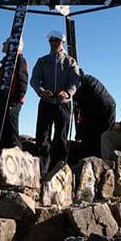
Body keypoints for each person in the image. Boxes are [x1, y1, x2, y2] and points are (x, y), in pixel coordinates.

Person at [30, 30, 81, 176]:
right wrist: (40, 90)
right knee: (43, 137)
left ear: (62, 42)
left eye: (56, 40)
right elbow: (34, 79)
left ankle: (59, 172)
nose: (53, 43)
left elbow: (75, 81)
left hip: (63, 104)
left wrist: (68, 92)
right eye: (51, 40)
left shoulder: (70, 61)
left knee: (61, 138)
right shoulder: (42, 61)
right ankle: (41, 171)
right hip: (46, 102)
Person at [0, 37, 28, 150]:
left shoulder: (19, 61)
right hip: (2, 100)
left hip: (11, 102)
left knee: (11, 133)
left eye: (6, 42)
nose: (3, 43)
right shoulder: (7, 62)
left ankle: (16, 158)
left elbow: (22, 82)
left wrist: (14, 101)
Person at [73, 70, 116, 158]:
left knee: (93, 136)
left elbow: (82, 107)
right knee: (104, 136)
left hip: (99, 108)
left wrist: (80, 131)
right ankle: (103, 161)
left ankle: (91, 160)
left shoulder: (79, 83)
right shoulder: (88, 79)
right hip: (110, 105)